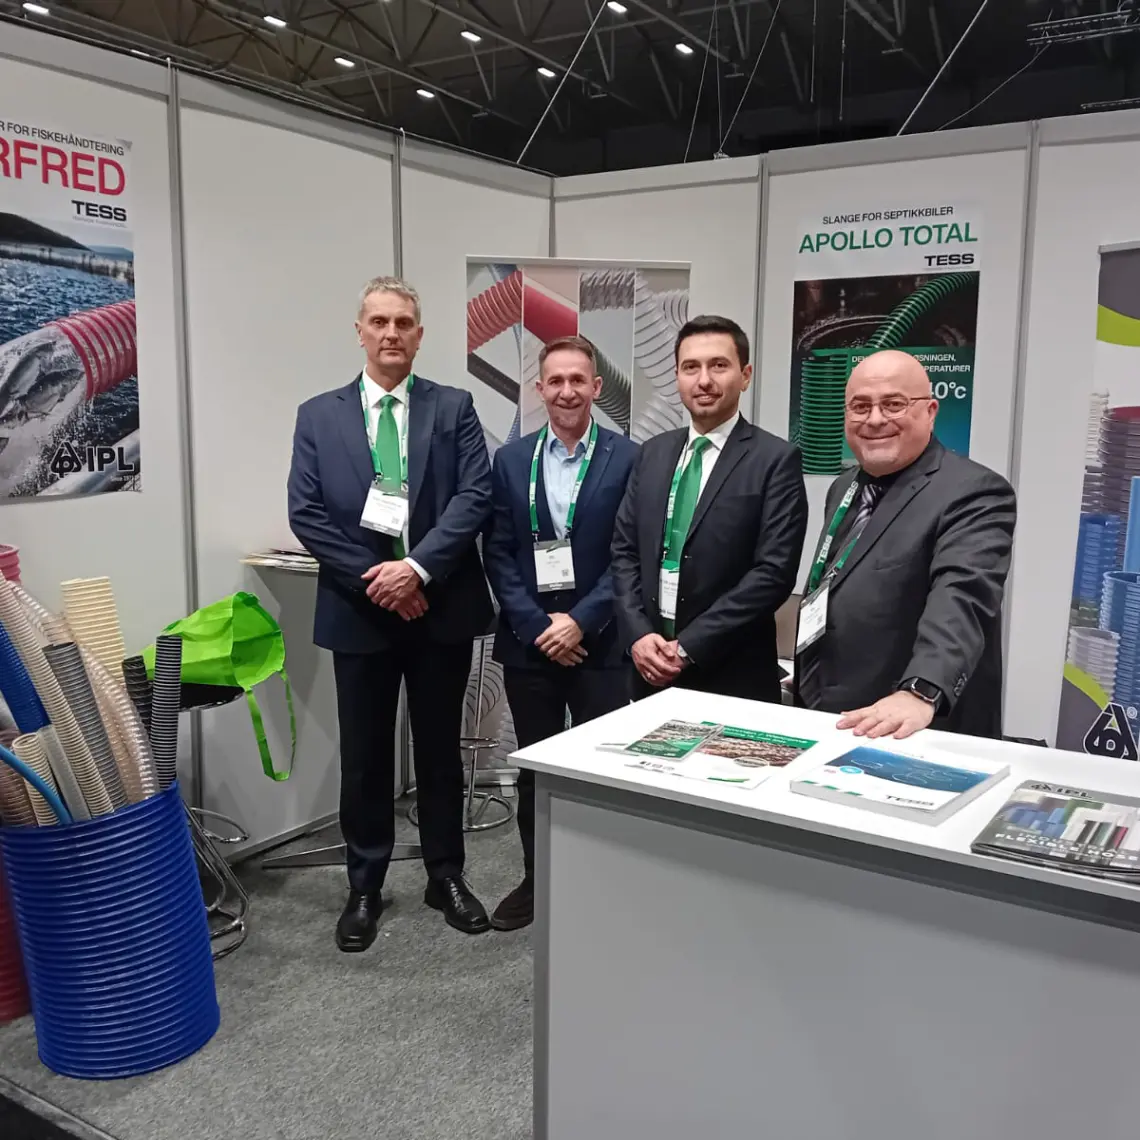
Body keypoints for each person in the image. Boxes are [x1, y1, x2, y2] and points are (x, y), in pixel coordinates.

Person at [287, 275, 494, 953]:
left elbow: (474, 496)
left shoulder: (453, 406)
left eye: (403, 322)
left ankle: (446, 876)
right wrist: (378, 580)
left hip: (439, 606)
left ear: (420, 334)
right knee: (365, 758)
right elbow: (306, 513)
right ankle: (365, 886)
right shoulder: (318, 415)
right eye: (379, 321)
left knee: (439, 753)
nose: (391, 333)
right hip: (360, 612)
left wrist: (417, 569)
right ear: (359, 331)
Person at [483, 335, 638, 931]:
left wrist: (580, 620)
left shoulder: (629, 458)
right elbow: (498, 551)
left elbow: (630, 554)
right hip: (531, 647)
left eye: (578, 380)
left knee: (603, 772)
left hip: (602, 644)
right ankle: (537, 878)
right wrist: (536, 625)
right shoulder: (511, 461)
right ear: (540, 388)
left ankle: (603, 883)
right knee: (536, 772)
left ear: (596, 387)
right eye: (556, 381)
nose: (567, 391)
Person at [794, 348, 1016, 740]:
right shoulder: (844, 487)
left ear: (930, 411)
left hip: (913, 726)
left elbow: (962, 598)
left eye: (893, 404)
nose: (875, 419)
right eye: (860, 406)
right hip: (837, 715)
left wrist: (921, 690)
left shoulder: (975, 492)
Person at [611, 314, 808, 703]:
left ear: (745, 375)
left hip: (731, 676)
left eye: (719, 365)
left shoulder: (775, 460)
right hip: (649, 669)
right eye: (691, 367)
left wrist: (688, 647)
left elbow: (773, 573)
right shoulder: (652, 453)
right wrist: (638, 634)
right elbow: (624, 551)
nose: (704, 380)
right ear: (677, 377)